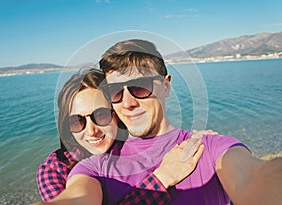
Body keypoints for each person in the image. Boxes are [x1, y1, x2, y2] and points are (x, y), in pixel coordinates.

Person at [35, 39, 282, 205]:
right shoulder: (93, 168)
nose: (128, 102)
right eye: (115, 93)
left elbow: (253, 177)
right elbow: (76, 197)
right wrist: (162, 177)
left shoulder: (208, 147)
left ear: (166, 85)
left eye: (140, 87)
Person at [35, 68, 210, 203]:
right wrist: (161, 179)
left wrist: (200, 140)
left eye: (101, 116)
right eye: (77, 122)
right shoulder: (54, 169)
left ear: (117, 114)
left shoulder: (131, 147)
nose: (91, 131)